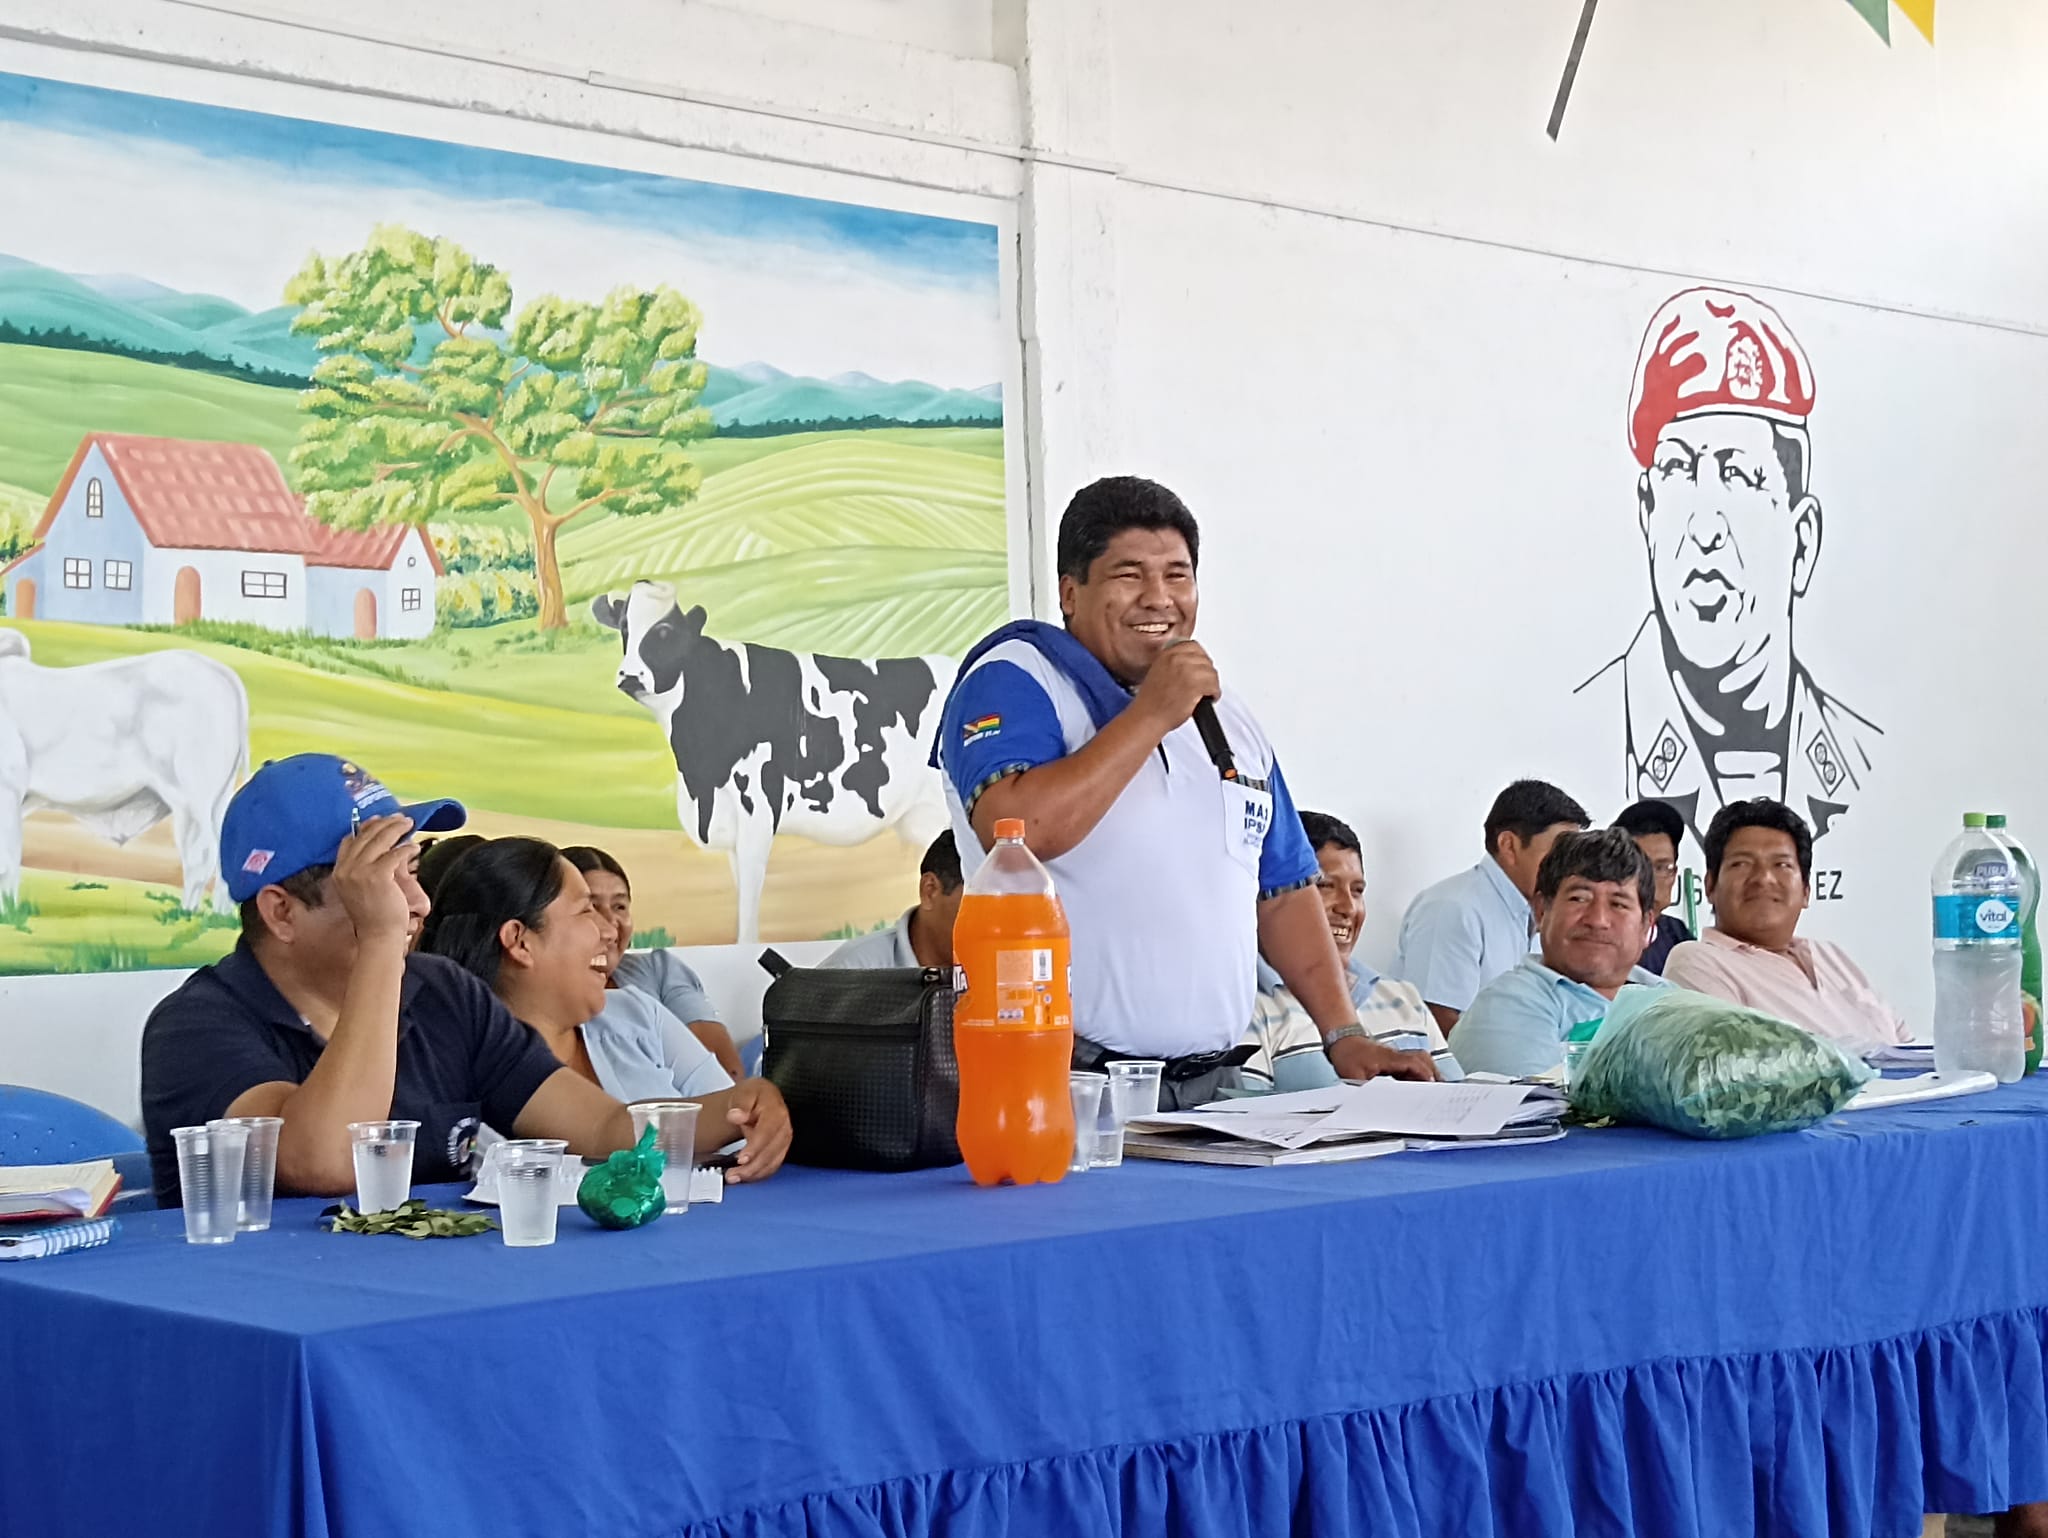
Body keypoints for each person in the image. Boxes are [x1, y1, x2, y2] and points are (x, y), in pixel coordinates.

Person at [935, 476, 1434, 1109]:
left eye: (1178, 575)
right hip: (1063, 1085)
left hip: (1212, 1091)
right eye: (1128, 575)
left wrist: (1343, 1034)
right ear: (1069, 592)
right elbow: (1017, 832)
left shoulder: (1229, 717)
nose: (1159, 598)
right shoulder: (1015, 676)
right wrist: (1152, 714)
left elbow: (1282, 891)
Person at [139, 754, 638, 1205]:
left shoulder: (444, 993)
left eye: (413, 871)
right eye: (379, 882)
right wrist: (381, 939)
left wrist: (689, 1127)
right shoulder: (193, 1027)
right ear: (282, 913)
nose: (419, 904)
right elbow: (327, 1162)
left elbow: (602, 1127)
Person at [1579, 288, 1880, 852]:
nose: (1704, 528)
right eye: (1678, 471)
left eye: (1739, 476)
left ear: (1802, 541)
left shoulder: (1866, 763)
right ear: (1647, 514)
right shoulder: (1580, 731)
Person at [422, 837, 791, 1181]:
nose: (610, 931)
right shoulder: (462, 1063)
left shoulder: (638, 1012)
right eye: (587, 910)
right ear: (520, 942)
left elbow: (616, 1127)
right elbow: (607, 1132)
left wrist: (748, 1104)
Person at [1663, 799, 1910, 1052]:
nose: (1764, 878)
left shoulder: (1832, 956)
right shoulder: (1696, 963)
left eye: (1782, 865)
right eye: (1742, 864)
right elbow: (1740, 1066)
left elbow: (1911, 1051)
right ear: (1710, 886)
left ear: (1806, 891)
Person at [1242, 811, 1457, 1093]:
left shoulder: (1403, 998)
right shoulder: (1246, 1006)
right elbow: (1244, 1114)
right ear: (1272, 898)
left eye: (1357, 891)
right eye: (1324, 886)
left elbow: (1461, 1098)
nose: (1348, 907)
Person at [1450, 828, 1671, 1079]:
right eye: (1579, 898)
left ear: (1646, 924)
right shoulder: (1508, 1005)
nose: (1598, 920)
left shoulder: (1669, 998)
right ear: (1541, 911)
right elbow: (1535, 1101)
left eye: (1618, 904)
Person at [1392, 780, 1590, 1035]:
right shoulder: (1453, 908)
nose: (1568, 867)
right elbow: (1437, 1022)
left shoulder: (1541, 909)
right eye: (1559, 852)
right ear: (1509, 845)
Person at [563, 845, 743, 1080]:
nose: (610, 923)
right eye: (591, 908)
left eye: (619, 906)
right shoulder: (541, 1008)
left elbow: (725, 1076)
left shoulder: (659, 971)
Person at [820, 831, 964, 972]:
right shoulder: (851, 972)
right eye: (973, 905)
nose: (981, 924)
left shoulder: (977, 968)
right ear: (929, 891)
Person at [1613, 798, 1694, 974]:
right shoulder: (1599, 935)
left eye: (1661, 868)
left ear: (1674, 875)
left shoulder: (1678, 937)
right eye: (1638, 866)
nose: (1649, 879)